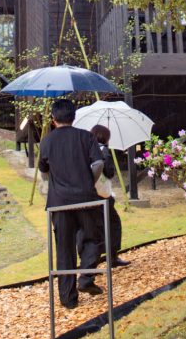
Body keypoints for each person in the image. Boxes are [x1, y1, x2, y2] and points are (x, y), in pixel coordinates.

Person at [39, 99, 105, 309]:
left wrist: (55, 183)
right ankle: (86, 276)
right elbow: (98, 163)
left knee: (64, 248)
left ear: (53, 118)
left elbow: (43, 170)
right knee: (94, 238)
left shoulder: (47, 141)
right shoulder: (86, 136)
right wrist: (88, 181)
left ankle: (68, 298)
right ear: (73, 117)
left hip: (59, 202)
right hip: (85, 199)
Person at [86, 124, 129, 268]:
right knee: (113, 225)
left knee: (94, 228)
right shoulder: (103, 150)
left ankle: (92, 262)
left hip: (90, 194)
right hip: (103, 194)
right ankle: (112, 258)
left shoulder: (87, 149)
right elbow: (109, 172)